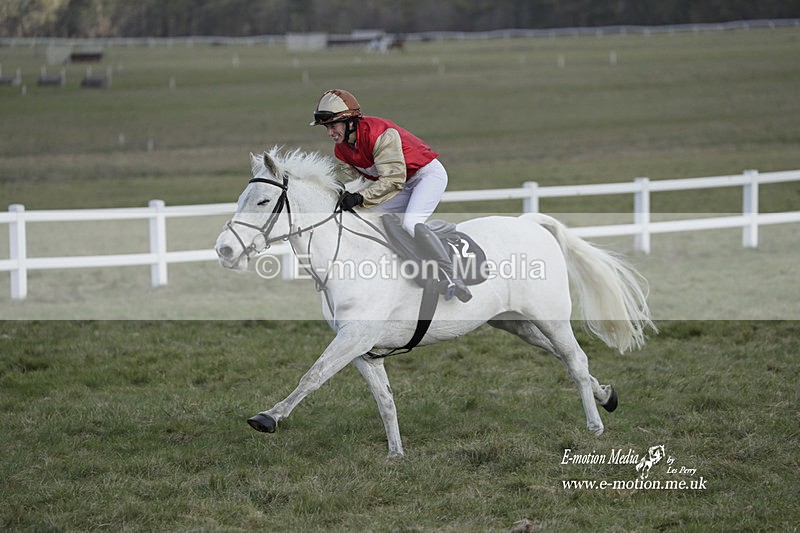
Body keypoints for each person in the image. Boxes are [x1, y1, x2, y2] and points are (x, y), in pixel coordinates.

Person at [310, 89, 471, 302]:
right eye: (327, 128)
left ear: (350, 122)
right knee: (370, 219)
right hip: (403, 184)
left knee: (411, 224)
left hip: (426, 176)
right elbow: (363, 182)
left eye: (333, 126)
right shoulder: (341, 150)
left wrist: (360, 198)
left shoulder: (380, 134)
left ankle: (451, 276)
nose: (330, 133)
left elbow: (393, 180)